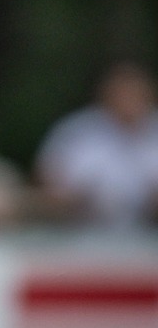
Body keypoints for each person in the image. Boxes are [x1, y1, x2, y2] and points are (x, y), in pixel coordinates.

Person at [35, 62, 158, 227]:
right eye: (121, 93)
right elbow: (47, 186)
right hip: (80, 231)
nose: (127, 100)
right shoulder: (76, 132)